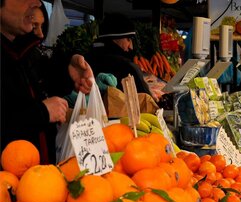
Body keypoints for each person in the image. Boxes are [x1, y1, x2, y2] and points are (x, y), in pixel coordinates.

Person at [1, 0, 93, 163]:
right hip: (9, 183)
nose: (36, 2)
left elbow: (39, 83)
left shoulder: (23, 51)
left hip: (39, 179)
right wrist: (41, 113)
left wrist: (68, 72)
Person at [85, 13, 152, 96]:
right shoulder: (128, 67)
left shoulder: (85, 60)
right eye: (128, 39)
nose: (131, 46)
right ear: (115, 39)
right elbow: (147, 99)